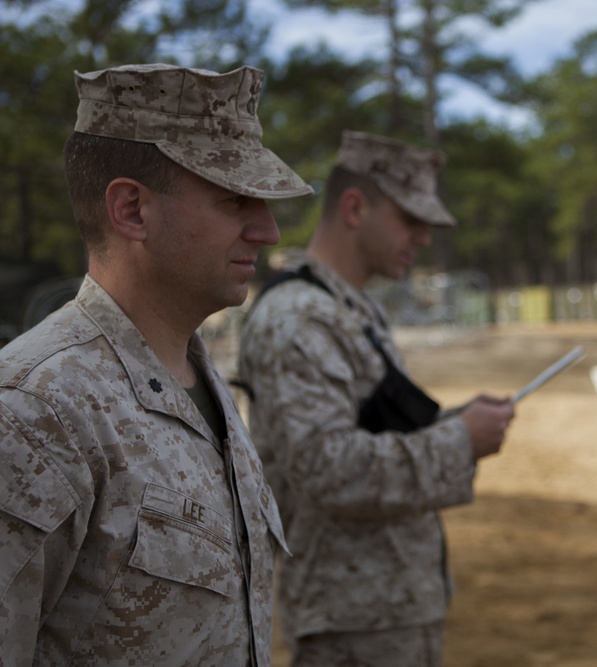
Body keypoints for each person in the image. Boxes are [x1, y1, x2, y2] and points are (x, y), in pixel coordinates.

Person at [0, 63, 312, 664]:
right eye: (235, 199)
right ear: (132, 211)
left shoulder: (199, 379)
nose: (268, 231)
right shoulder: (34, 414)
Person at [238, 130, 515, 666]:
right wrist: (460, 441)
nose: (424, 238)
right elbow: (327, 467)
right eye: (411, 221)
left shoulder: (348, 308)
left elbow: (368, 435)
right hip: (351, 616)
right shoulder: (299, 317)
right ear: (355, 206)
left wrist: (457, 422)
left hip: (383, 604)